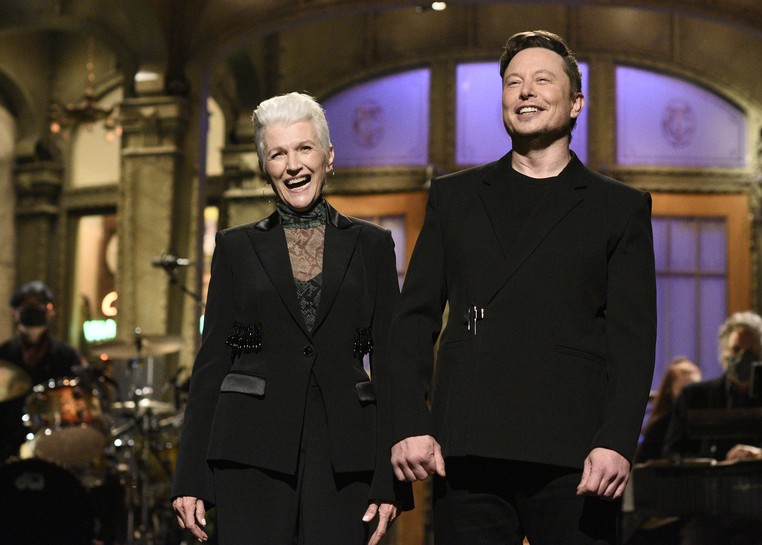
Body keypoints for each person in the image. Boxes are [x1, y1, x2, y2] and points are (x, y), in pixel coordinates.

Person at [387, 30, 657, 545]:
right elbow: (414, 320)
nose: (525, 91)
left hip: (576, 453)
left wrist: (619, 442)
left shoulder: (618, 208)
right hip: (467, 445)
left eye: (541, 80)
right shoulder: (454, 197)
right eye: (513, 82)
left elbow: (633, 338)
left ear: (576, 103)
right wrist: (408, 423)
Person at [171, 92, 410, 545]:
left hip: (346, 456)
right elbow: (212, 363)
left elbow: (390, 366)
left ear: (328, 155)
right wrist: (189, 477)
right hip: (249, 452)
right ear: (265, 167)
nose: (292, 164)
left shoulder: (373, 246)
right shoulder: (235, 248)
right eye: (277, 153)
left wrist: (390, 479)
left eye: (304, 148)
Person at [663, 311, 762, 545]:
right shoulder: (695, 397)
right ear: (723, 354)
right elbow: (673, 453)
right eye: (736, 350)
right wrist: (716, 461)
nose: (743, 357)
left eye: (751, 352)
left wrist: (760, 455)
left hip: (760, 512)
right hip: (707, 510)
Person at [0, 280, 85, 460]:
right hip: (8, 441)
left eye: (40, 305)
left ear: (51, 311)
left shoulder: (67, 356)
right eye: (26, 306)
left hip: (55, 441)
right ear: (15, 313)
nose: (33, 310)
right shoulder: (3, 355)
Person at [623, 357, 701, 545]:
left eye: (696, 389)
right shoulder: (661, 425)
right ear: (670, 391)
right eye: (686, 390)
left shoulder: (701, 422)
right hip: (663, 509)